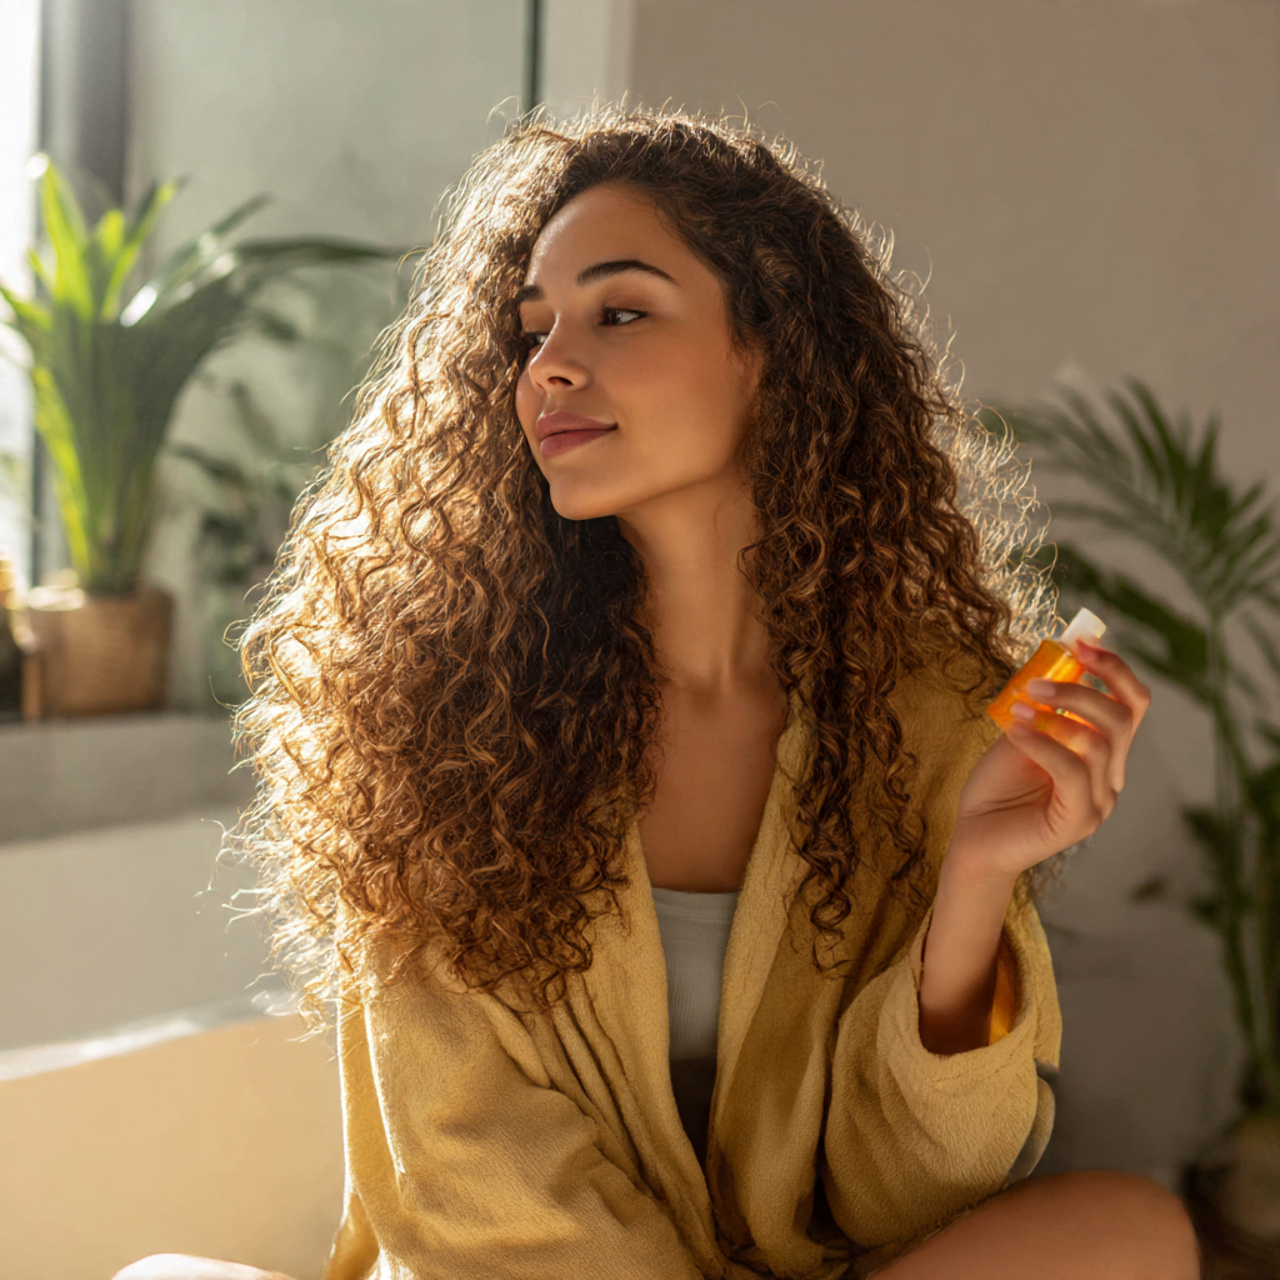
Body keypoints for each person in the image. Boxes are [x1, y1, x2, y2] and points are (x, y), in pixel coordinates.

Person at [116, 105, 1199, 1280]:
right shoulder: (435, 711)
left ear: (771, 349)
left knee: (1130, 1227)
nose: (547, 365)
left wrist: (975, 878)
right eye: (530, 330)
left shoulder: (927, 716)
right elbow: (465, 1167)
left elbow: (914, 1188)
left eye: (619, 311)